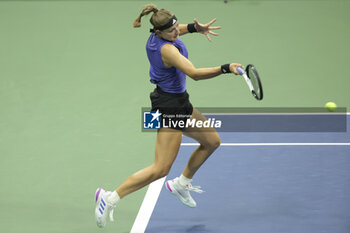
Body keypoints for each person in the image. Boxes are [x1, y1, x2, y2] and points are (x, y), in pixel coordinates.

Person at [94, 4, 243, 228]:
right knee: (160, 168)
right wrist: (225, 68)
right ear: (159, 33)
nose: (176, 32)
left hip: (180, 102)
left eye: (177, 27)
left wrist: (194, 28)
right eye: (172, 30)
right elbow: (194, 74)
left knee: (212, 141)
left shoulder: (160, 36)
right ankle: (109, 198)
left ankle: (181, 184)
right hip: (168, 108)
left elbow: (178, 29)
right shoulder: (167, 50)